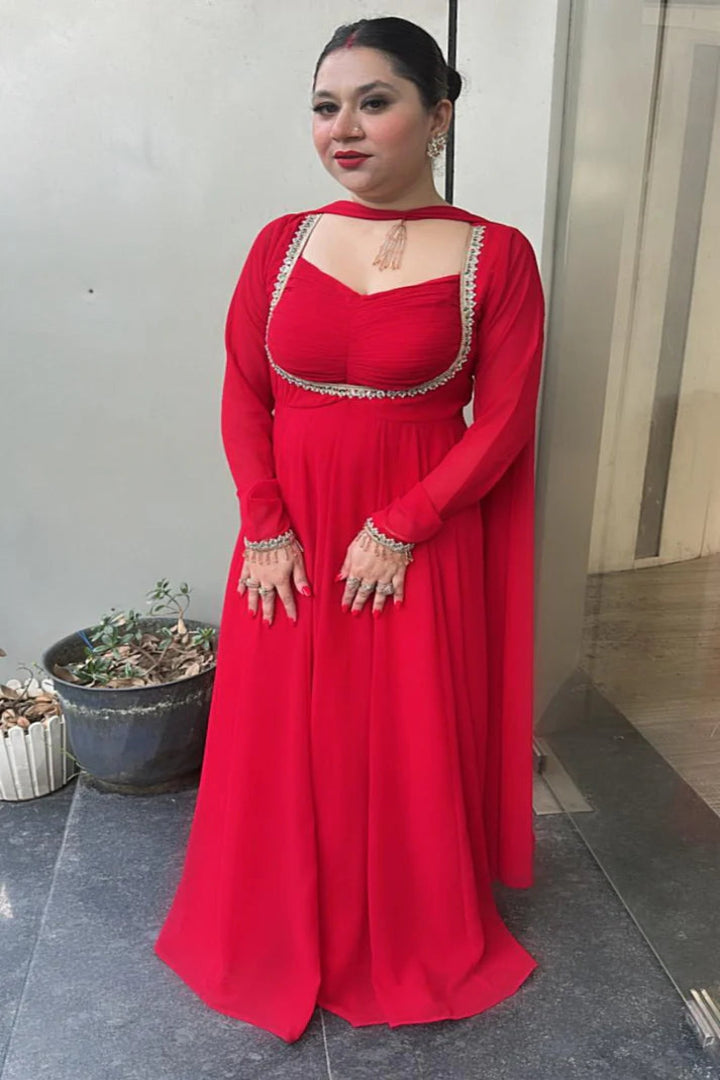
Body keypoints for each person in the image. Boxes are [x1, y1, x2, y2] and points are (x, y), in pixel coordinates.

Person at [154, 16, 546, 1044]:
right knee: (284, 735)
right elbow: (245, 394)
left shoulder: (496, 258)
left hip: (416, 541)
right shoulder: (280, 244)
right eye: (327, 107)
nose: (346, 129)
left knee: (401, 736)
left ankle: (402, 931)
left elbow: (503, 421)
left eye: (376, 102)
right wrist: (266, 525)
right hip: (286, 539)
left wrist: (404, 525)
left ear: (439, 115)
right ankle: (271, 923)